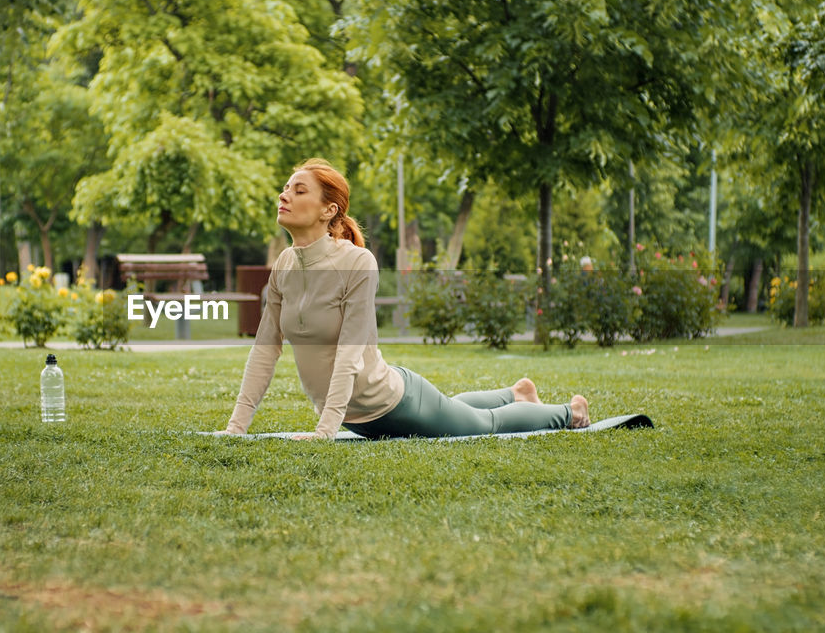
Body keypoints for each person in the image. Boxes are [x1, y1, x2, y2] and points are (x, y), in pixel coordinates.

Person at [218, 158, 590, 440]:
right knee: (456, 409)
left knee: (482, 424)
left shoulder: (357, 262)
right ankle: (516, 391)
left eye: (299, 191)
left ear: (328, 210)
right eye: (285, 187)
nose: (284, 195)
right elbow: (265, 349)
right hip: (356, 415)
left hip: (394, 404)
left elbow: (350, 350)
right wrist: (236, 427)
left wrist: (326, 429)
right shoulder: (285, 264)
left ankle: (569, 411)